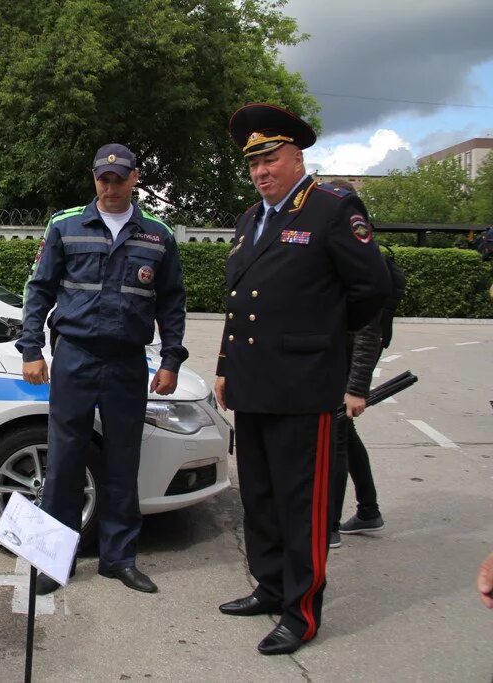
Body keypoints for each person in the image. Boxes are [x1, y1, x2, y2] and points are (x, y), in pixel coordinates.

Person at [214, 104, 391, 655]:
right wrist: (224, 364)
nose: (262, 171)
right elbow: (239, 302)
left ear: (297, 156)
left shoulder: (332, 209)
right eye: (254, 163)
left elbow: (375, 290)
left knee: (302, 503)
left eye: (271, 158)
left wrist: (325, 343)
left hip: (303, 384)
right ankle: (269, 587)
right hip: (253, 383)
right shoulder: (249, 220)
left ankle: (302, 610)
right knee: (260, 498)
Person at [17, 143, 189, 595]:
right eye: (102, 179)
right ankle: (54, 562)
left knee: (122, 462)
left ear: (135, 178)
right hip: (74, 356)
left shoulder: (158, 235)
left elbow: (172, 304)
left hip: (127, 361)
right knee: (64, 462)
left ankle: (119, 559)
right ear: (94, 178)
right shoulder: (66, 225)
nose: (110, 187)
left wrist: (171, 360)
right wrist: (31, 349)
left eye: (119, 178)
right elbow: (39, 291)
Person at [325, 179, 385, 548]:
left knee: (337, 440)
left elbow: (368, 330)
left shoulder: (360, 252)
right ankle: (368, 509)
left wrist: (355, 387)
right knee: (345, 434)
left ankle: (329, 525)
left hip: (346, 363)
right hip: (333, 358)